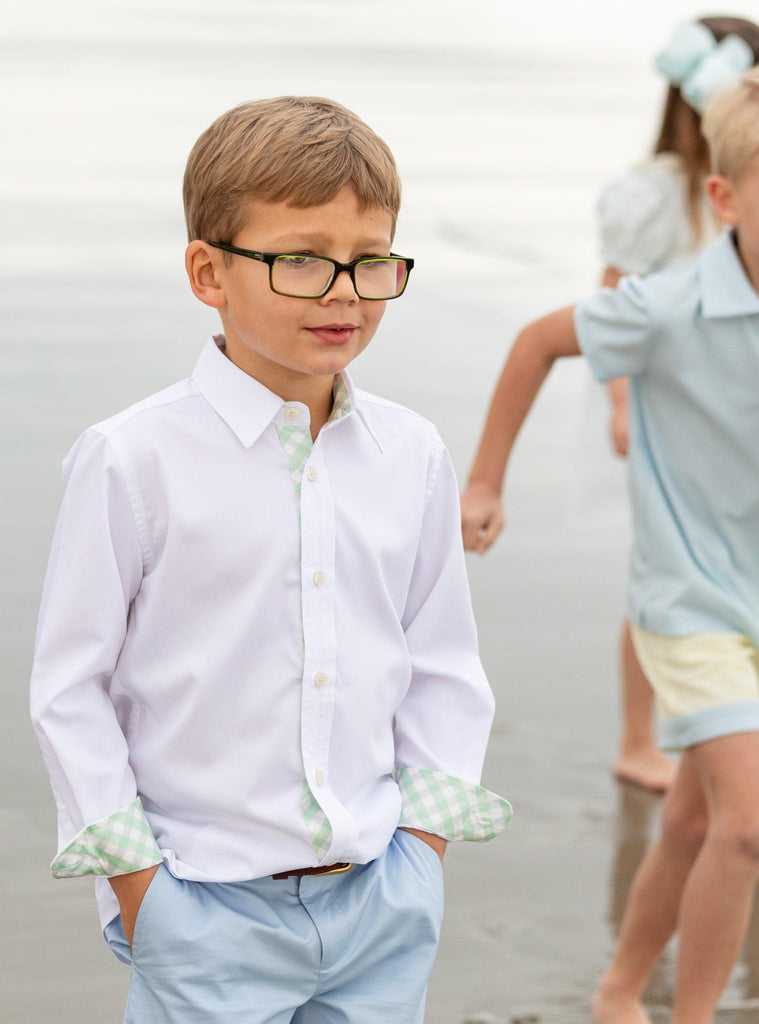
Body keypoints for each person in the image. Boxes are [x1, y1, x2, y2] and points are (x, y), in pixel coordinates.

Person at [29, 95, 511, 1023]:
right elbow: (69, 689)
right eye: (300, 259)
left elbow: (444, 663)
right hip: (201, 904)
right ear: (208, 272)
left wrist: (423, 854)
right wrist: (142, 890)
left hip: (382, 896)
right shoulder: (132, 458)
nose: (344, 292)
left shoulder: (410, 453)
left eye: (371, 262)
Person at [461, 64, 759, 1023]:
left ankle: (620, 991)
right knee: (751, 827)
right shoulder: (665, 306)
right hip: (686, 600)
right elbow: (539, 342)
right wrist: (486, 477)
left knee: (695, 819)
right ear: (725, 196)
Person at [594, 17, 759, 790]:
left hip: (755, 407)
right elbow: (611, 299)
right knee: (668, 575)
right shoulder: (657, 194)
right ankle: (639, 738)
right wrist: (618, 404)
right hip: (672, 408)